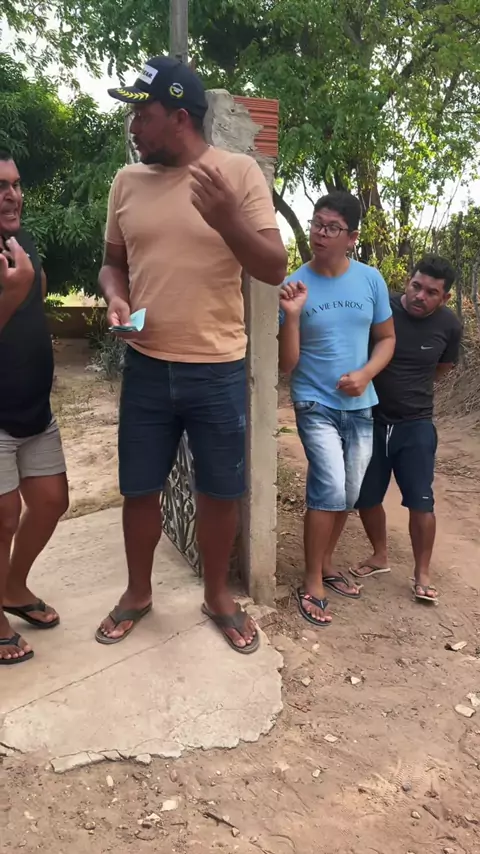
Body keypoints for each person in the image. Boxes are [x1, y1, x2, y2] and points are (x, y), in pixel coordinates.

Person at [96, 56, 287, 652]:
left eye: (143, 114)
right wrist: (116, 297)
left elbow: (272, 266)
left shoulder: (238, 174)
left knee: (220, 491)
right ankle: (137, 593)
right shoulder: (127, 182)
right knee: (139, 488)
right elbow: (112, 264)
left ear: (179, 117)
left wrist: (228, 218)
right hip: (147, 365)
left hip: (218, 367)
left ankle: (218, 597)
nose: (133, 125)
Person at [278, 191, 395, 627]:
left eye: (332, 227)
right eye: (317, 224)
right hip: (314, 401)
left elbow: (387, 339)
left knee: (347, 493)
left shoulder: (370, 280)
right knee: (328, 485)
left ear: (352, 237)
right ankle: (312, 582)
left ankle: (327, 564)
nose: (320, 234)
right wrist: (292, 315)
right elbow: (286, 364)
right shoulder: (295, 284)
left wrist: (366, 373)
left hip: (361, 404)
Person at [353, 255, 462, 603]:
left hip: (416, 424)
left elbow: (443, 367)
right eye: (416, 286)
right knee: (366, 496)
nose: (420, 296)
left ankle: (422, 573)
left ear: (444, 297)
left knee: (421, 501)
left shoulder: (449, 325)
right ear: (408, 281)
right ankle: (379, 555)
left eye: (431, 292)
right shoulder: (381, 308)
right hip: (370, 419)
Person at [0, 151, 69, 665]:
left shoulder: (22, 244)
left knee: (50, 501)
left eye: (16, 184)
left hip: (35, 410)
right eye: (0, 186)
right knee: (4, 517)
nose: (12, 195)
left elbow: (35, 303)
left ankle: (13, 587)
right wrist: (12, 293)